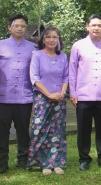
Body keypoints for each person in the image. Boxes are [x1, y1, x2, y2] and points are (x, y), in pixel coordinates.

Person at [69, 14, 101, 171]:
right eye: (93, 25)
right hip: (83, 95)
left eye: (99, 25)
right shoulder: (78, 46)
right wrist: (73, 92)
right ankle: (84, 158)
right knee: (83, 129)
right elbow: (72, 71)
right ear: (87, 27)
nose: (96, 28)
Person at [0, 14, 35, 174]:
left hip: (24, 97)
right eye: (17, 25)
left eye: (23, 26)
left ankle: (23, 159)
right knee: (2, 132)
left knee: (23, 130)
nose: (20, 28)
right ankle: (2, 163)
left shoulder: (33, 48)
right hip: (2, 97)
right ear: (9, 27)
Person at [26, 26, 68, 175]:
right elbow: (34, 78)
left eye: (54, 37)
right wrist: (49, 94)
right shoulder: (37, 55)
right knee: (41, 130)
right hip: (42, 98)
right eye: (48, 37)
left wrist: (62, 93)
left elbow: (65, 77)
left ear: (58, 40)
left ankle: (56, 162)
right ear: (43, 40)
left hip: (59, 98)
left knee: (57, 131)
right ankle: (43, 163)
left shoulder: (62, 56)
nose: (51, 40)